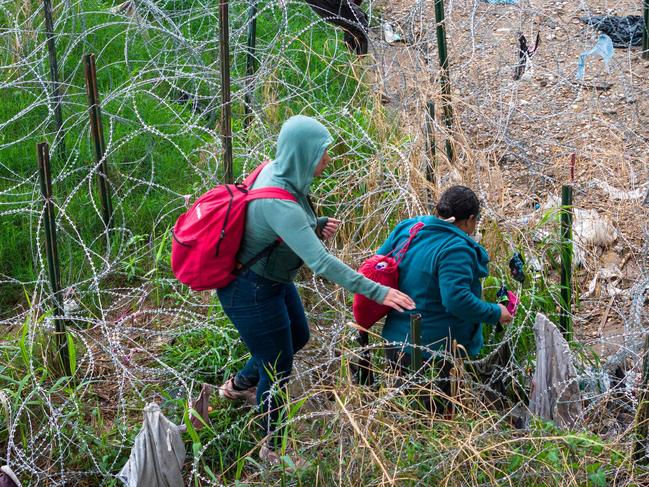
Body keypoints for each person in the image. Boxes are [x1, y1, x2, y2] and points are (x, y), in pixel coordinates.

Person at [216, 115, 415, 464]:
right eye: (322, 153)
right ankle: (273, 449)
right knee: (278, 369)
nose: (327, 160)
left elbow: (281, 228)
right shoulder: (282, 203)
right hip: (251, 291)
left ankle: (239, 385)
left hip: (270, 281)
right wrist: (377, 292)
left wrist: (315, 225)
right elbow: (321, 263)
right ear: (304, 153)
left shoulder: (282, 172)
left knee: (298, 338)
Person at [375, 186, 513, 399]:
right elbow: (457, 300)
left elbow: (377, 266)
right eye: (474, 223)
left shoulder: (410, 227)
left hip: (395, 342)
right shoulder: (456, 248)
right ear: (470, 219)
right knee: (436, 416)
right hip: (433, 353)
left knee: (404, 413)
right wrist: (496, 312)